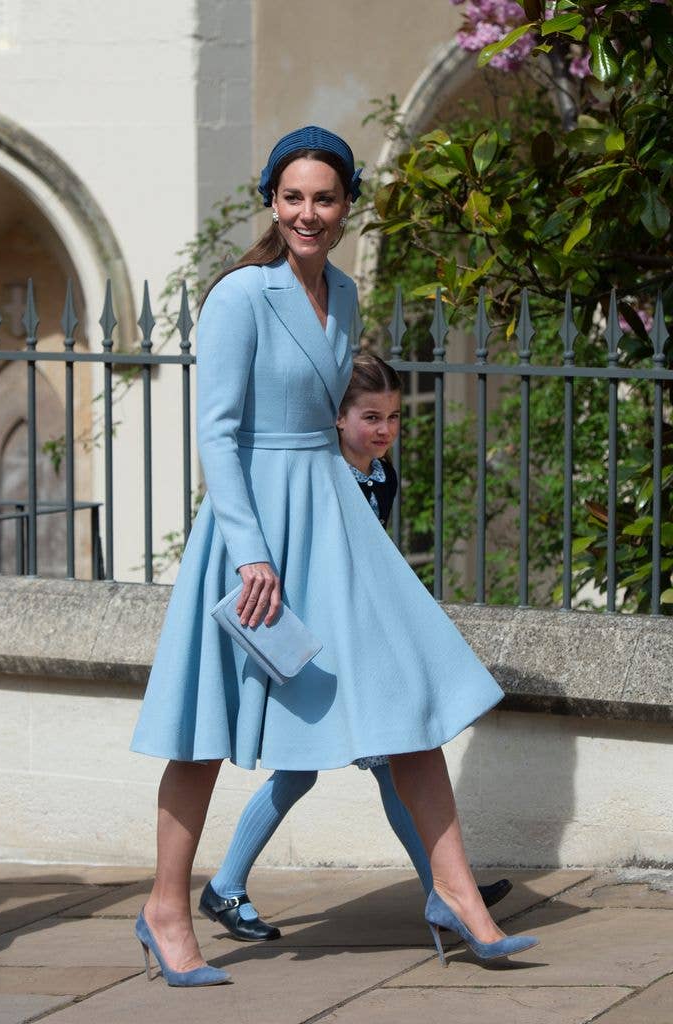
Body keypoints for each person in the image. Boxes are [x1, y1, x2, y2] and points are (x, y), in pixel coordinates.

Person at [130, 125, 538, 987]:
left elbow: (330, 417)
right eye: (293, 197)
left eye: (324, 197)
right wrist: (249, 552)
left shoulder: (346, 294)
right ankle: (166, 908)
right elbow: (221, 432)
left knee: (408, 696)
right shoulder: (241, 296)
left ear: (347, 204)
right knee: (206, 732)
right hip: (256, 532)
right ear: (273, 204)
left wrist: (362, 477)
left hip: (332, 519)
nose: (307, 213)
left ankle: (459, 896)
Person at [199, 353, 512, 942]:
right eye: (371, 416)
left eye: (393, 416)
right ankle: (446, 889)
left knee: (349, 768)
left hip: (353, 647)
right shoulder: (317, 475)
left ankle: (445, 888)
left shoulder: (382, 475)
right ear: (336, 419)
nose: (385, 430)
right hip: (313, 648)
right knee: (369, 765)